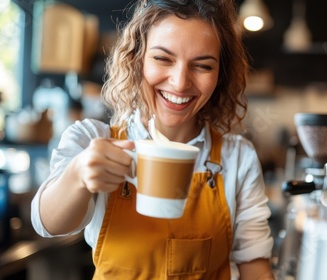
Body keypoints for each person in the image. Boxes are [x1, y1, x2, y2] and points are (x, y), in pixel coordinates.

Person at [30, 0, 274, 279]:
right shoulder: (92, 139)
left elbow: (255, 266)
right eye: (162, 58)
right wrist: (78, 174)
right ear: (137, 58)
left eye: (203, 66)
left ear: (221, 75)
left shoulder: (238, 157)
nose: (180, 82)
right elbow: (47, 224)